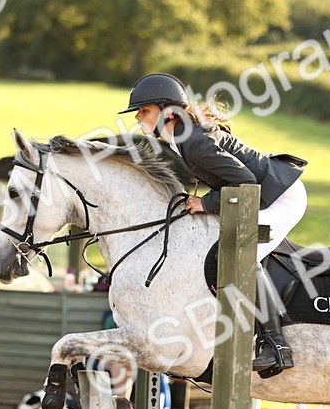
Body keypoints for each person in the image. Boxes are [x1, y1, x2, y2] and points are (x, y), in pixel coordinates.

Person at [118, 72, 308, 378]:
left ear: (168, 112)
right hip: (261, 192)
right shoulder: (181, 139)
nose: (138, 117)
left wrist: (206, 203)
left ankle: (277, 346)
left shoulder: (193, 141)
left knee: (240, 253)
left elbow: (245, 182)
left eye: (144, 111)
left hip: (280, 196)